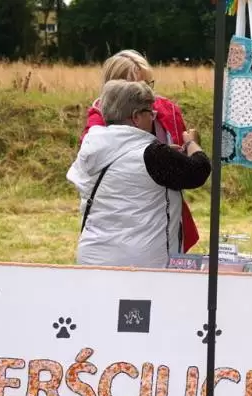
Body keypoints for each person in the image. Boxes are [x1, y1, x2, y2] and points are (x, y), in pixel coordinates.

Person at [67, 80, 211, 268]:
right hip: (141, 264)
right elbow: (199, 170)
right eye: (150, 113)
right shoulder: (153, 155)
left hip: (93, 257)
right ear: (136, 117)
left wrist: (166, 153)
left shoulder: (93, 146)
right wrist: (192, 143)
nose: (153, 118)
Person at [80, 49, 201, 253]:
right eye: (137, 85)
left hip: (166, 218)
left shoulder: (168, 111)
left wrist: (179, 154)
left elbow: (187, 166)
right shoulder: (98, 124)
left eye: (148, 84)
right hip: (121, 220)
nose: (146, 93)